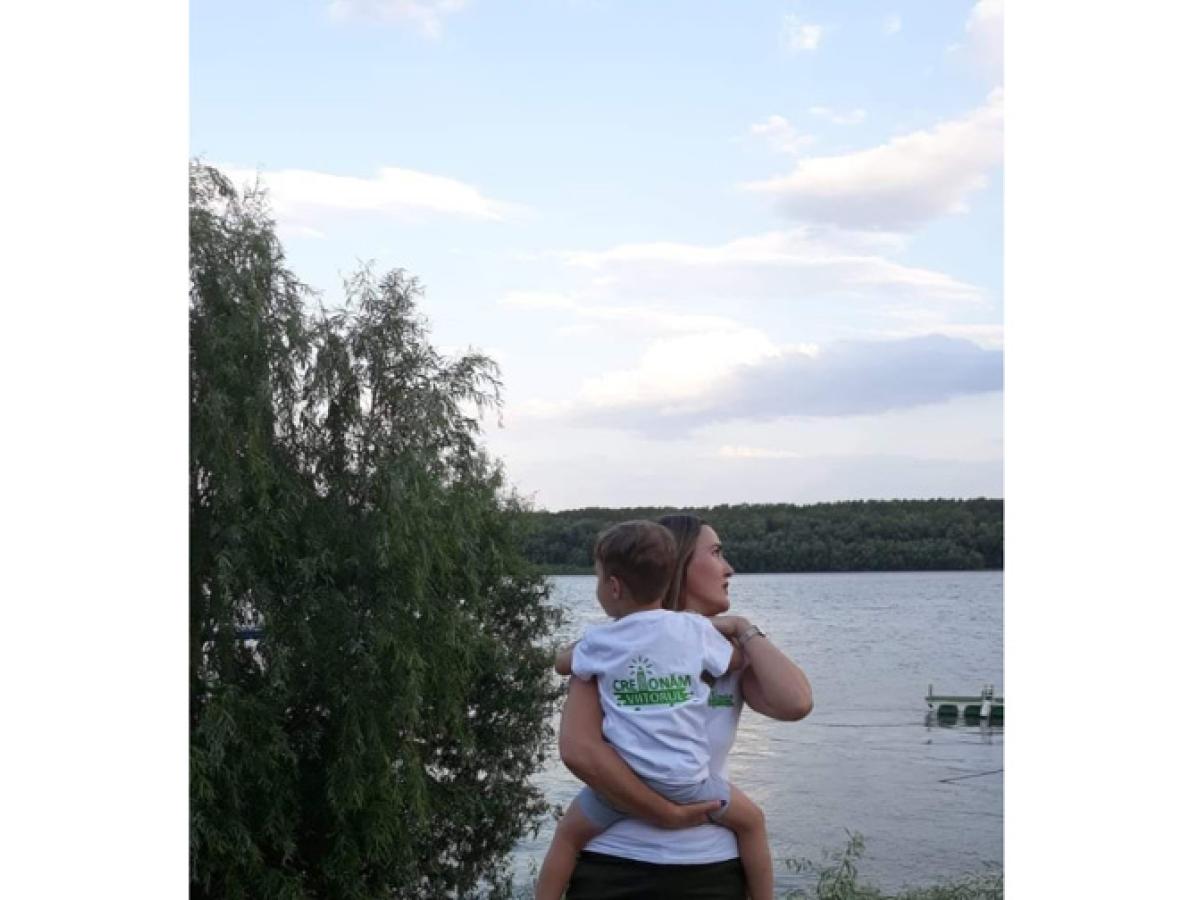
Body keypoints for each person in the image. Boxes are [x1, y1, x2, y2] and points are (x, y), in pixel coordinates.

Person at [557, 514, 814, 899]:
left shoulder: (722, 649)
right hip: (616, 864)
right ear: (678, 564)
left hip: (711, 869)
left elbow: (796, 702)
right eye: (716, 553)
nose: (729, 568)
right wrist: (665, 813)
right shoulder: (615, 648)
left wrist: (742, 627)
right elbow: (580, 751)